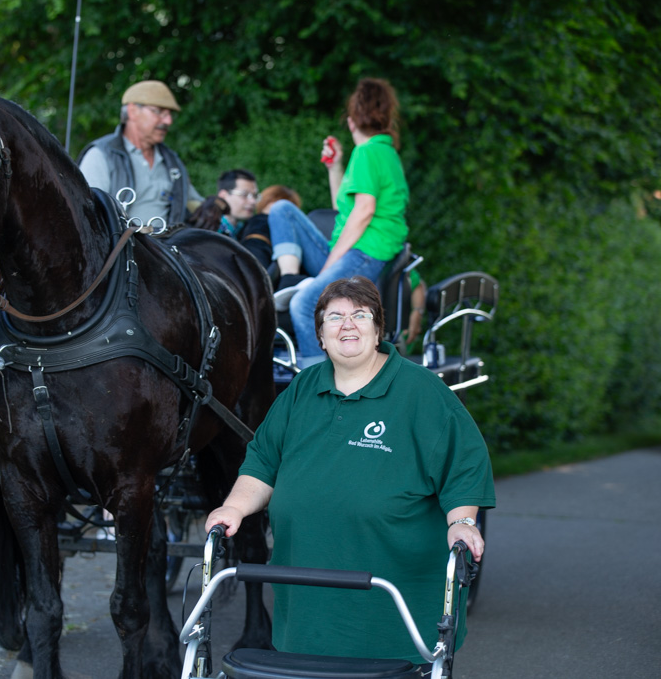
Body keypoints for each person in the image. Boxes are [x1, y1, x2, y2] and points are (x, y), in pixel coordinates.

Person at [205, 276, 494, 666]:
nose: (347, 325)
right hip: (307, 604)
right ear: (320, 338)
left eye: (360, 315)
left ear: (378, 331)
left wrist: (462, 522)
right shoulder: (302, 388)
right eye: (334, 317)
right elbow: (263, 462)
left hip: (394, 609)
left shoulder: (422, 393)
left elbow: (463, 466)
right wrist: (234, 508)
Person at [270, 78, 410, 367]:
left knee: (304, 304)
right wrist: (335, 168)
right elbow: (344, 212)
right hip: (360, 250)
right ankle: (291, 280)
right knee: (282, 209)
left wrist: (330, 264)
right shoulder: (386, 153)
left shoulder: (368, 152)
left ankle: (319, 383)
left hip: (364, 253)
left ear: (351, 121)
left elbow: (364, 211)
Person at [78, 80, 203, 227]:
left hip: (169, 240)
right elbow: (87, 215)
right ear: (133, 111)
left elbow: (193, 203)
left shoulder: (171, 161)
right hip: (120, 241)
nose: (168, 121)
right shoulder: (100, 156)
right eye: (159, 112)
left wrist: (217, 205)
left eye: (169, 114)